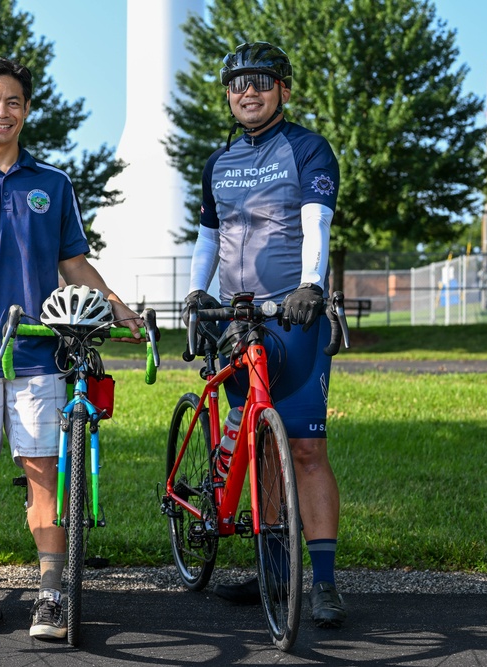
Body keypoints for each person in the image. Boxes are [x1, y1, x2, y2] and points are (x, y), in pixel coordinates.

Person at [0, 57, 141, 640]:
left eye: (12, 102)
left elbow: (72, 262)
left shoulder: (53, 184)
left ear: (26, 110)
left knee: (44, 472)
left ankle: (49, 594)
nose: (2, 111)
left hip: (41, 354)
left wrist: (112, 300)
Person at [183, 41, 347, 628]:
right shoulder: (217, 162)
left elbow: (315, 220)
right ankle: (275, 570)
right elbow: (208, 235)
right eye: (236, 83)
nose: (246, 91)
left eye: (259, 80)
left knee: (306, 449)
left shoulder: (307, 149)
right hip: (239, 322)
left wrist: (312, 285)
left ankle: (323, 584)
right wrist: (198, 293)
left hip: (294, 319)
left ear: (282, 88)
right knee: (259, 447)